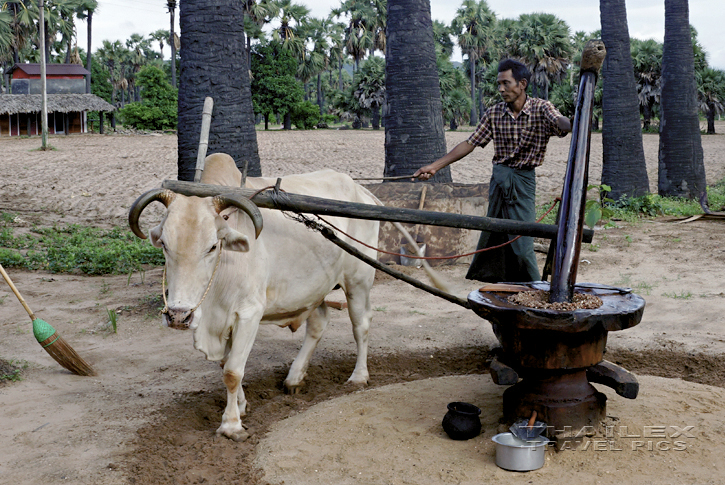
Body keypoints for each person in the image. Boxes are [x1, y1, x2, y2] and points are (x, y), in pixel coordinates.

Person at [414, 59, 571, 283]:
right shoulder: (494, 113)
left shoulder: (541, 108)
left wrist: (570, 121)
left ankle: (534, 287)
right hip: (499, 180)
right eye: (499, 84)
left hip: (523, 182)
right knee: (494, 234)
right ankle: (500, 284)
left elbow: (560, 124)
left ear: (522, 84)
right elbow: (470, 143)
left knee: (522, 242)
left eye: (506, 84)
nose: (501, 89)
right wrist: (434, 167)